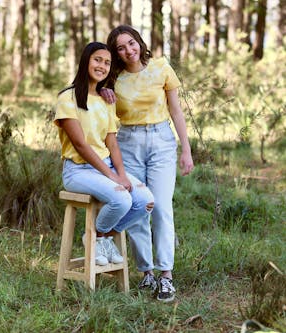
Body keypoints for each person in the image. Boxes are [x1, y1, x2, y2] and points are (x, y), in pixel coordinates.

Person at [101, 25, 194, 302]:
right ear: (116, 53)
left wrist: (186, 150)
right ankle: (146, 273)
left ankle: (166, 275)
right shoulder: (113, 79)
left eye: (132, 43)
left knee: (162, 207)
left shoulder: (161, 67)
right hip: (127, 143)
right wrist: (104, 93)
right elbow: (89, 97)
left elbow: (176, 111)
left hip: (161, 141)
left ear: (139, 42)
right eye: (121, 47)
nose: (129, 50)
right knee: (140, 206)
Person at [54, 42, 155, 267]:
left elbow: (112, 143)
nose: (102, 66)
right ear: (86, 61)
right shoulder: (67, 98)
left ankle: (104, 236)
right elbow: (80, 145)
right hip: (78, 170)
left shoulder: (105, 99)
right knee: (121, 198)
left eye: (107, 62)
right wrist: (112, 176)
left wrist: (122, 175)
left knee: (146, 201)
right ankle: (94, 237)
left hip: (106, 166)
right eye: (97, 60)